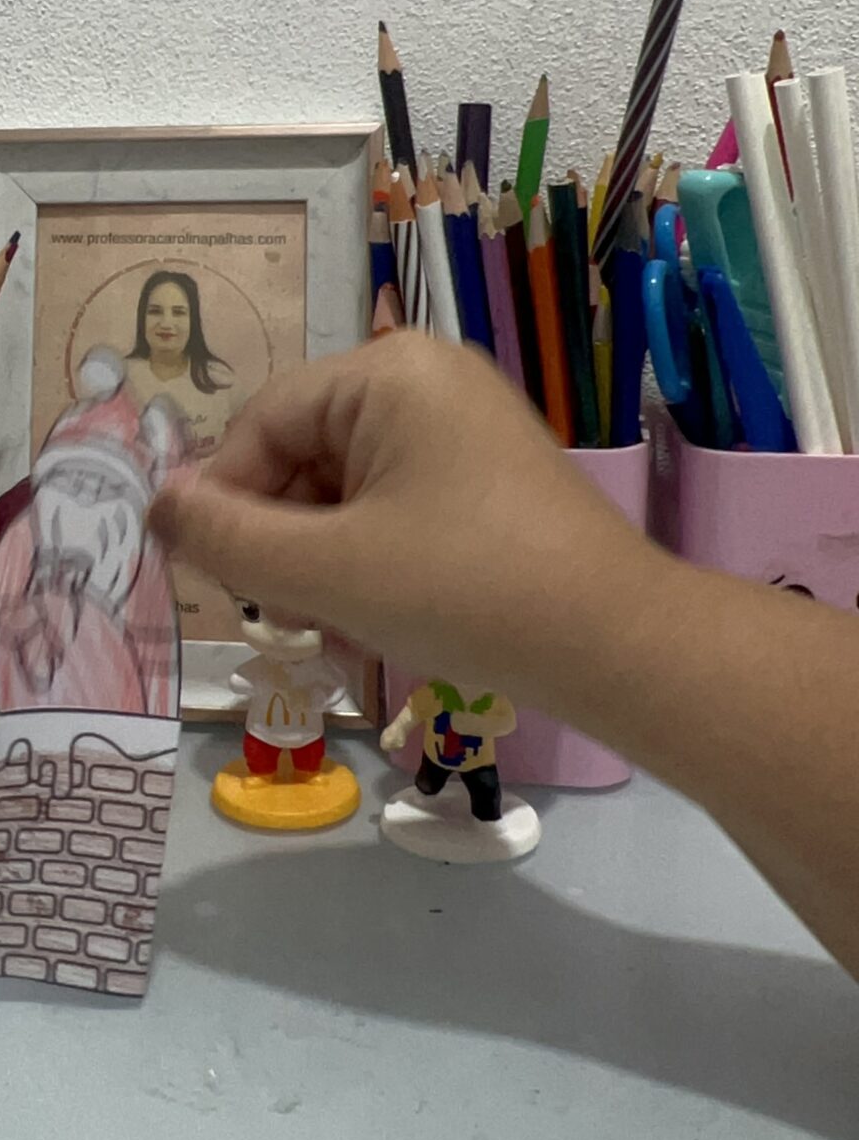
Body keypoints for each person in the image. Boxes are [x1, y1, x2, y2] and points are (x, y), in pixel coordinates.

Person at [149, 333, 859, 982]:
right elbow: (410, 706)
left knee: (475, 784)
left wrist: (576, 627)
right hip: (319, 737)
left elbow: (474, 707)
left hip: (450, 750)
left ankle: (465, 801)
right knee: (427, 774)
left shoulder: (474, 689)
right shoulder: (435, 683)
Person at [0, 348, 188, 715]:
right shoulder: (24, 537)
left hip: (113, 710)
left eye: (108, 487)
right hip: (23, 706)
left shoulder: (143, 562)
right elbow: (5, 607)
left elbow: (159, 663)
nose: (88, 496)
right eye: (73, 481)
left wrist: (157, 730)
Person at [125, 269, 241, 457]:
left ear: (192, 321)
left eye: (178, 312)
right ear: (142, 319)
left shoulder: (221, 381)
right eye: (155, 312)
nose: (166, 323)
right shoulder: (118, 380)